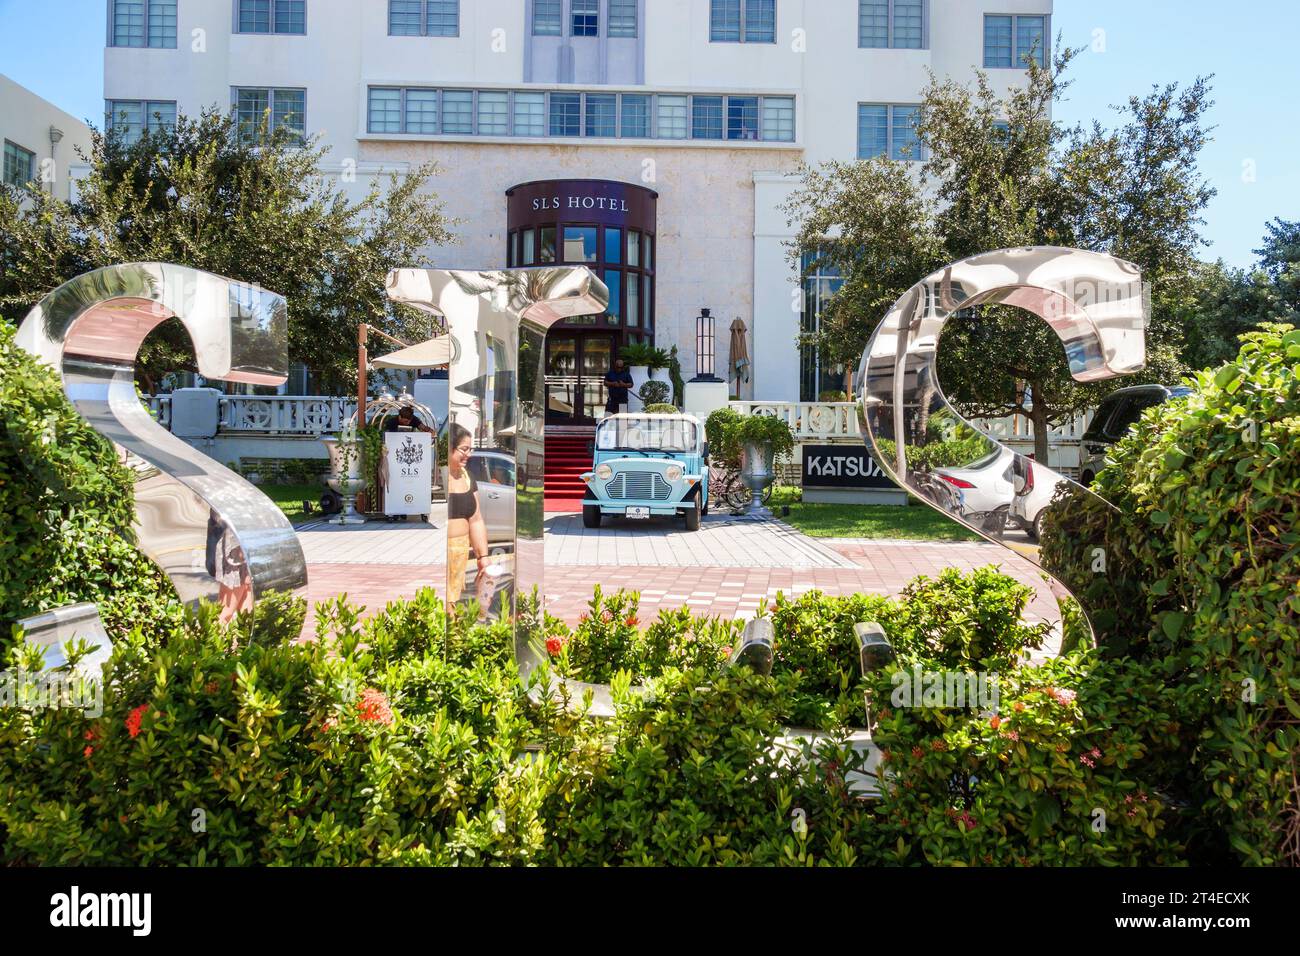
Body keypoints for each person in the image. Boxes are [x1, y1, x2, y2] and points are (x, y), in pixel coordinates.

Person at [445, 423, 490, 605]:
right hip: (442, 555)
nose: (468, 454)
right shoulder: (439, 478)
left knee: (455, 605)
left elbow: (476, 519)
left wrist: (483, 557)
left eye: (470, 449)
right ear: (449, 448)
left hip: (460, 554)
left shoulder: (468, 476)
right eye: (464, 449)